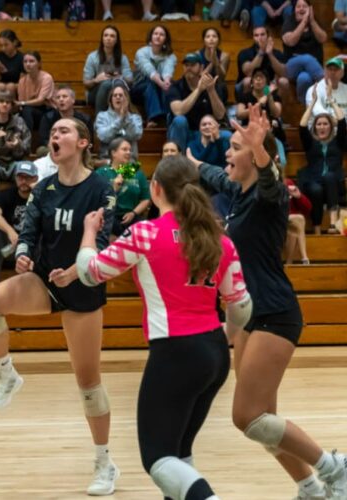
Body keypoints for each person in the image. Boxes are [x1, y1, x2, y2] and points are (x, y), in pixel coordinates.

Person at [194, 103, 347, 500]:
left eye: (235, 146)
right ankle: (309, 487)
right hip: (249, 316)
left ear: (258, 156)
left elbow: (270, 181)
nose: (228, 151)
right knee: (263, 420)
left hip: (275, 313)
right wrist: (192, 162)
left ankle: (337, 469)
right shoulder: (239, 194)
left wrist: (261, 150)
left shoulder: (269, 197)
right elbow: (216, 176)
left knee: (246, 416)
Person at [77, 155, 253, 500]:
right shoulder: (220, 239)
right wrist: (224, 338)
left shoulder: (145, 234)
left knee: (157, 458)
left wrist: (88, 234)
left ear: (155, 190)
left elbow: (90, 272)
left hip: (174, 352)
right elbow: (242, 306)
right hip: (215, 355)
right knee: (179, 453)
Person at [0, 117, 119, 495]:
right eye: (52, 132)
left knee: (88, 384)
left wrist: (75, 271)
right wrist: (22, 255)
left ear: (84, 142)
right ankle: (6, 374)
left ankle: (104, 463)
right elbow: (29, 230)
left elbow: (102, 243)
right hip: (45, 281)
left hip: (83, 285)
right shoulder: (44, 188)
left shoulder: (102, 188)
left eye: (64, 131)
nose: (56, 136)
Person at [298, 90, 346, 235]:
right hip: (314, 183)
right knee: (316, 189)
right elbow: (302, 126)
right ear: (315, 127)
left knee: (329, 176)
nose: (322, 127)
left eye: (325, 124)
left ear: (331, 127)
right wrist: (312, 103)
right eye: (319, 124)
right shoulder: (310, 143)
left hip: (335, 185)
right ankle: (317, 228)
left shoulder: (338, 142)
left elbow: (342, 121)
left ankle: (332, 223)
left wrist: (331, 100)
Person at [0, 161, 38, 289]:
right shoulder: (5, 194)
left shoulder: (40, 196)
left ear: (35, 179)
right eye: (20, 177)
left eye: (28, 177)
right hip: (10, 245)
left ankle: (38, 278)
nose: (23, 181)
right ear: (15, 178)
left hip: (32, 243)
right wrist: (11, 232)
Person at [167, 52, 227, 152]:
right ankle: (177, 162)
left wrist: (211, 91)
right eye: (186, 65)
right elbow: (178, 111)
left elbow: (220, 115)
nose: (189, 68)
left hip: (203, 131)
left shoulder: (212, 85)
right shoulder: (175, 86)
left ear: (201, 67)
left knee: (227, 135)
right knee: (180, 120)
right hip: (182, 132)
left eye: (193, 65)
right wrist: (198, 90)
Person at [95, 138, 151, 237]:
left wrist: (133, 213)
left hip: (132, 217)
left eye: (130, 150)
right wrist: (113, 189)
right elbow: (96, 200)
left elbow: (145, 199)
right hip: (109, 216)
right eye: (124, 149)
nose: (129, 152)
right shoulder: (101, 173)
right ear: (113, 153)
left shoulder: (136, 172)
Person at [236, 68, 286, 166]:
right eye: (256, 77)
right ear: (251, 82)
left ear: (267, 83)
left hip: (271, 132)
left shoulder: (274, 97)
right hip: (251, 132)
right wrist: (259, 104)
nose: (258, 80)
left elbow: (276, 113)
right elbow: (239, 114)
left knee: (281, 161)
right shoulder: (245, 96)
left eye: (261, 77)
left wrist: (269, 96)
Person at [281, 0, 326, 103]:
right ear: (294, 9)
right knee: (307, 58)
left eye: (304, 6)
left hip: (310, 70)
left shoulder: (315, 22)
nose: (301, 9)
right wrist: (304, 22)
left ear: (310, 9)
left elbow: (323, 38)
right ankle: (325, 81)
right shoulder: (289, 22)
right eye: (298, 6)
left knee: (304, 79)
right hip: (291, 67)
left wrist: (312, 22)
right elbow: (291, 41)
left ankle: (305, 105)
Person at [132, 25, 176, 128]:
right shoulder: (141, 52)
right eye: (155, 34)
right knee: (151, 83)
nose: (158, 36)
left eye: (161, 34)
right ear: (151, 37)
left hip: (159, 88)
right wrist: (161, 83)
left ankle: (168, 117)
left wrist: (166, 82)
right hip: (138, 88)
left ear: (166, 39)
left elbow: (167, 71)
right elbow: (149, 70)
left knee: (171, 84)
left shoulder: (170, 55)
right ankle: (154, 117)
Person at [83, 25, 133, 113]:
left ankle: (123, 116)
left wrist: (120, 77)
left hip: (116, 90)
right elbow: (86, 83)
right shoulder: (92, 57)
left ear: (116, 40)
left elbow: (130, 80)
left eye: (112, 36)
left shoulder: (122, 58)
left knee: (117, 83)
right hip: (94, 93)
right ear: (102, 39)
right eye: (105, 35)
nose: (108, 38)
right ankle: (100, 121)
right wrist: (96, 80)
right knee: (106, 84)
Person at [236, 26, 289, 98]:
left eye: (262, 34)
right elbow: (249, 73)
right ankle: (247, 107)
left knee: (284, 82)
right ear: (253, 38)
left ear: (268, 36)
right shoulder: (245, 53)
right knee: (247, 81)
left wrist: (270, 54)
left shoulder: (276, 53)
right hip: (250, 85)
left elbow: (283, 73)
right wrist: (261, 51)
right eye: (256, 35)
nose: (259, 38)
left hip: (268, 88)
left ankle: (278, 107)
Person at [94, 83, 143, 159]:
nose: (118, 97)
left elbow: (135, 135)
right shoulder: (102, 116)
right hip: (108, 161)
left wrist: (126, 118)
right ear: (110, 100)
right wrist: (120, 119)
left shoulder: (135, 118)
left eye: (121, 95)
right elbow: (104, 137)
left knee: (130, 170)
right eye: (115, 95)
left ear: (126, 99)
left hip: (129, 161)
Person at [38, 86, 93, 150]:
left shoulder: (85, 119)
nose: (61, 100)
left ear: (73, 100)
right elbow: (44, 140)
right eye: (58, 97)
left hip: (76, 149)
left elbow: (88, 140)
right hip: (55, 149)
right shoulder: (48, 118)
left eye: (64, 96)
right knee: (42, 150)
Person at [16, 51, 54, 131]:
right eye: (25, 61)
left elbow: (40, 101)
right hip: (29, 110)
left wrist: (22, 103)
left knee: (27, 110)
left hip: (46, 111)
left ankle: (26, 138)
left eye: (31, 61)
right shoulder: (22, 80)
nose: (28, 64)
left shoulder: (46, 78)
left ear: (39, 63)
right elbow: (21, 101)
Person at [284, 178, 311, 265]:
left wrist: (299, 196)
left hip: (290, 222)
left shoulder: (287, 183)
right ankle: (303, 258)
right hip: (273, 221)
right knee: (296, 222)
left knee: (296, 225)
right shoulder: (265, 185)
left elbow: (308, 208)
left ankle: (303, 258)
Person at [0, 29, 23, 96]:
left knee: (10, 87)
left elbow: (22, 83)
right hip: (1, 85)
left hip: (15, 85)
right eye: (1, 45)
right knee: (0, 86)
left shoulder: (22, 58)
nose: (3, 48)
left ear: (15, 42)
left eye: (6, 45)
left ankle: (13, 105)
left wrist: (10, 86)